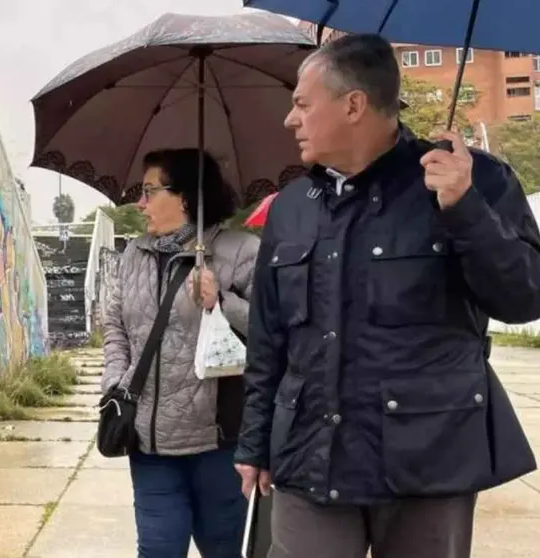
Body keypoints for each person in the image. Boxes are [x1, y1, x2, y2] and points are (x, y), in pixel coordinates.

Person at [234, 33, 540, 558]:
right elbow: (269, 338)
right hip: (311, 454)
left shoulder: (473, 180)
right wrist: (255, 440)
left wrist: (464, 209)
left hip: (428, 459)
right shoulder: (292, 206)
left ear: (353, 104)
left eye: (302, 104)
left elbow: (524, 299)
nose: (291, 120)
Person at [102, 148, 260, 557]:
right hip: (150, 444)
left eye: (150, 191)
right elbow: (115, 326)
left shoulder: (241, 251)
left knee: (224, 551)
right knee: (157, 551)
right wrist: (115, 385)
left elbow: (274, 332)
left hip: (220, 445)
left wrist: (221, 301)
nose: (140, 203)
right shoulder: (134, 254)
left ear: (185, 196)